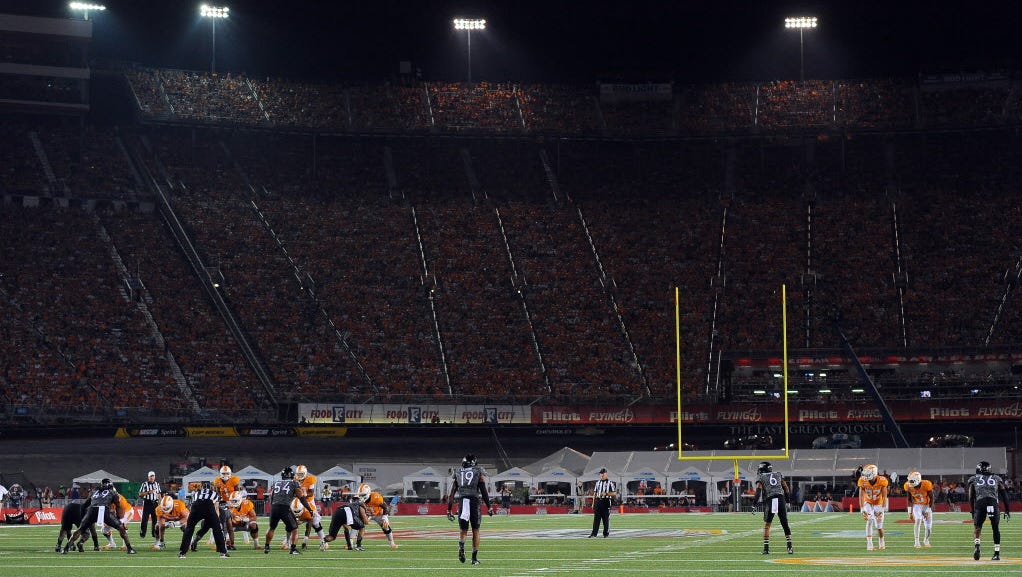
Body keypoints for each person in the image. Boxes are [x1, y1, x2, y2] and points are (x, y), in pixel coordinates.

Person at [62, 478, 137, 555]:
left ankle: (66, 548)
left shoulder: (94, 491)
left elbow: (84, 506)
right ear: (111, 485)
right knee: (121, 527)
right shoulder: (113, 492)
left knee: (80, 529)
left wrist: (83, 518)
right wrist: (118, 519)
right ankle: (129, 548)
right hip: (103, 510)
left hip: (91, 510)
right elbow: (118, 507)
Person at [446, 453, 493, 564]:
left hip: (463, 502)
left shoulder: (458, 472)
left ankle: (461, 547)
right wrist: (489, 507)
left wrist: (449, 509)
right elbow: (483, 491)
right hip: (474, 502)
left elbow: (451, 493)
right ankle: (474, 559)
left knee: (463, 530)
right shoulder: (478, 471)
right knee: (475, 530)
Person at [967, 460, 1012, 561]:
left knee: (977, 527)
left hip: (980, 503)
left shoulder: (973, 478)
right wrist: (1007, 510)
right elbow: (1004, 495)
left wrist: (972, 510)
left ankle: (977, 546)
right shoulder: (996, 478)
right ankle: (996, 554)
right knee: (995, 529)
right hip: (992, 503)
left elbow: (970, 496)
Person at [263, 466, 313, 555]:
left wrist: (272, 508)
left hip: (274, 507)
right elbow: (301, 498)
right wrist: (309, 509)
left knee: (272, 527)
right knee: (295, 529)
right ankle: (293, 549)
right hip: (285, 507)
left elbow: (272, 497)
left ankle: (266, 547)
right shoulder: (294, 483)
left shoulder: (276, 483)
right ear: (292, 475)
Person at [178, 481, 228, 559]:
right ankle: (223, 552)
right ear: (211, 487)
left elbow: (192, 507)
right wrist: (218, 521)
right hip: (209, 506)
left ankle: (182, 553)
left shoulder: (196, 493)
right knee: (217, 529)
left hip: (196, 506)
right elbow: (216, 508)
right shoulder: (214, 494)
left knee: (189, 529)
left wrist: (190, 520)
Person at [754, 461, 793, 555]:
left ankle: (766, 549)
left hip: (770, 500)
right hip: (780, 499)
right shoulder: (778, 475)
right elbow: (786, 488)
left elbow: (758, 492)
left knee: (767, 526)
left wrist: (754, 504)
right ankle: (790, 548)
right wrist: (788, 502)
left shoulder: (761, 477)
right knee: (785, 524)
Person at [857, 464, 889, 551]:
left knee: (879, 526)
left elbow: (885, 496)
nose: (865, 477)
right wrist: (862, 508)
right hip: (868, 502)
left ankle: (881, 541)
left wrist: (882, 510)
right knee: (869, 520)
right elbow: (860, 495)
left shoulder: (882, 480)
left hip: (878, 503)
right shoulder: (862, 480)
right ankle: (869, 544)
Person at [358, 483, 399, 549]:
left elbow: (385, 507)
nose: (361, 496)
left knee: (386, 527)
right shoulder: (358, 498)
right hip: (367, 514)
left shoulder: (376, 497)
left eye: (363, 495)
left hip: (378, 514)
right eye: (361, 495)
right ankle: (351, 542)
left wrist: (385, 517)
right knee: (357, 525)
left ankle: (392, 543)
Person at [294, 465, 327, 545]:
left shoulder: (310, 479)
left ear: (305, 473)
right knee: (291, 520)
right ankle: (287, 541)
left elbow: (311, 492)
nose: (299, 476)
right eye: (298, 474)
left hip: (309, 502)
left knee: (315, 521)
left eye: (301, 474)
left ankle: (324, 540)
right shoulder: (294, 479)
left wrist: (304, 495)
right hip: (298, 501)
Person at [904, 471, 935, 548]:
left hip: (926, 505)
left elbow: (932, 498)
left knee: (928, 527)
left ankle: (926, 540)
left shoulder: (926, 484)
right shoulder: (908, 486)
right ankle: (916, 542)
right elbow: (909, 499)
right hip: (917, 505)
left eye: (911, 481)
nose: (909, 482)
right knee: (918, 520)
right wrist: (910, 512)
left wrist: (928, 510)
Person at [589, 468, 616, 538]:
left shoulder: (610, 483)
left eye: (603, 473)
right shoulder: (598, 483)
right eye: (601, 473)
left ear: (606, 474)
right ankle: (594, 533)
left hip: (606, 502)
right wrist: (593, 503)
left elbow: (614, 493)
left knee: (605, 519)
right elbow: (595, 493)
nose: (602, 475)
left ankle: (605, 533)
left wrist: (606, 494)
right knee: (596, 518)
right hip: (598, 501)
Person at [138, 471, 162, 539]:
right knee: (145, 519)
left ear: (155, 477)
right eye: (151, 476)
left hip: (155, 503)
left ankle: (154, 533)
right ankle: (142, 533)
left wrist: (161, 503)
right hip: (147, 503)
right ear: (148, 477)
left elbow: (159, 494)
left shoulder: (157, 484)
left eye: (153, 476)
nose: (152, 477)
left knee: (155, 519)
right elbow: (140, 494)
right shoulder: (144, 484)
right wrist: (148, 492)